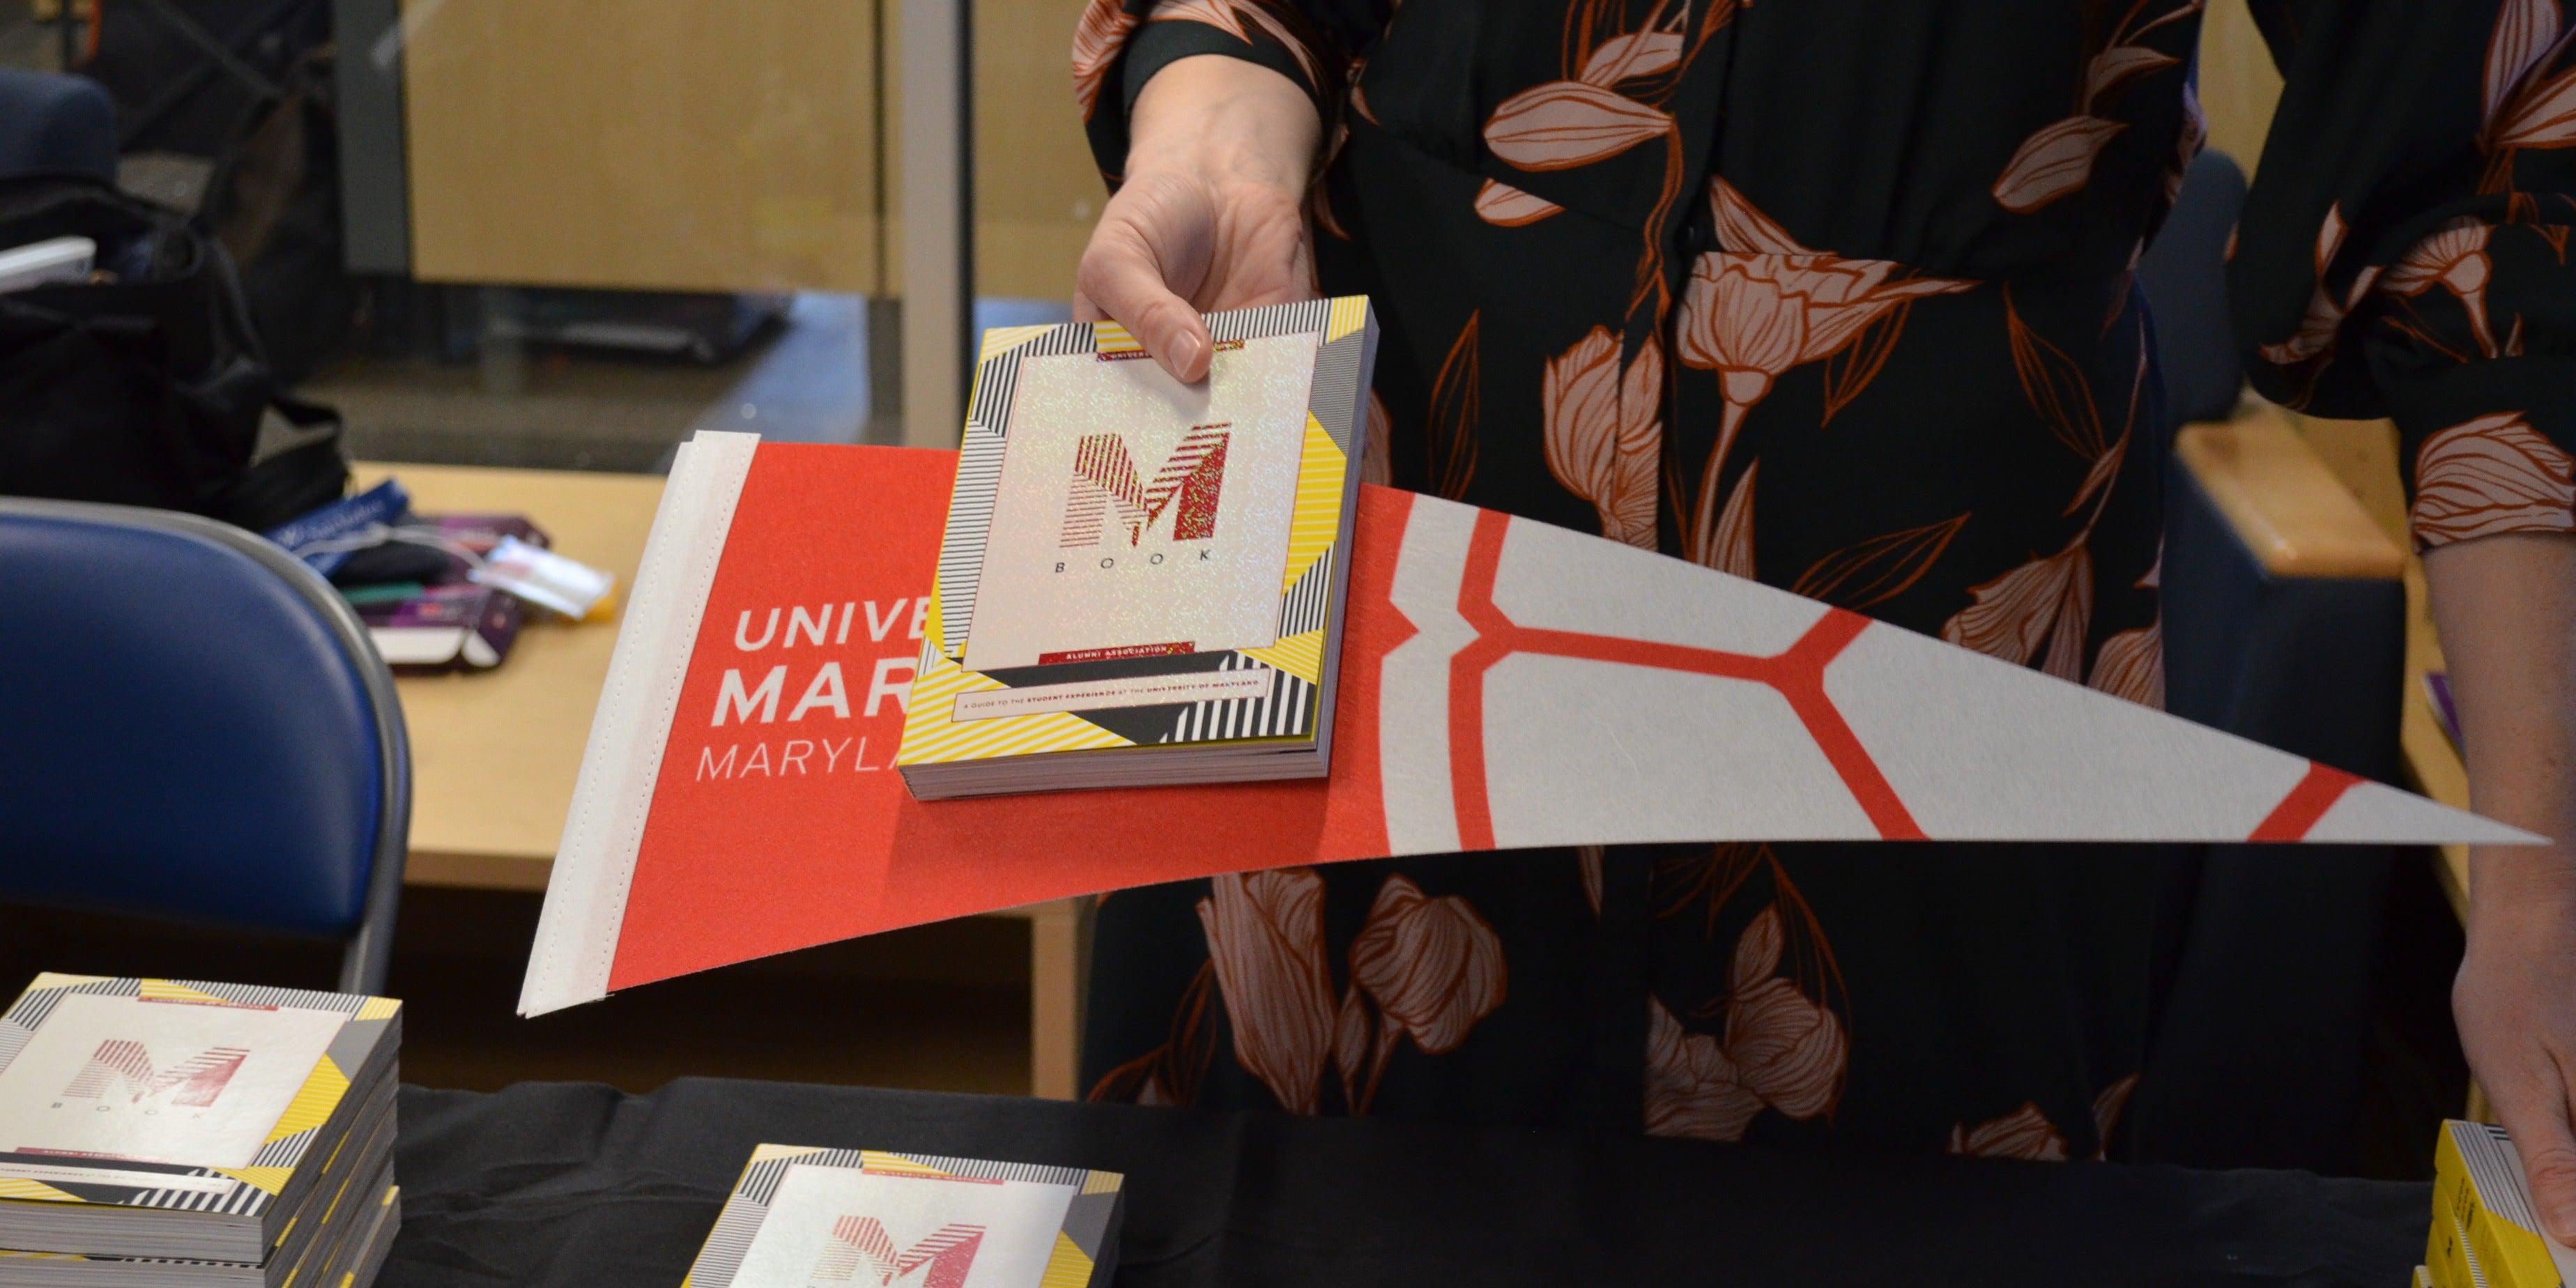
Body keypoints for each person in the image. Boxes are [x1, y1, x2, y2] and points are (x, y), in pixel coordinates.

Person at [1067, 0, 2576, 1229]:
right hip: (1380, 575)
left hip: (1923, 676)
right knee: (1292, 1220)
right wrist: (1214, 145)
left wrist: (2546, 872)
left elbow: (2494, 157)